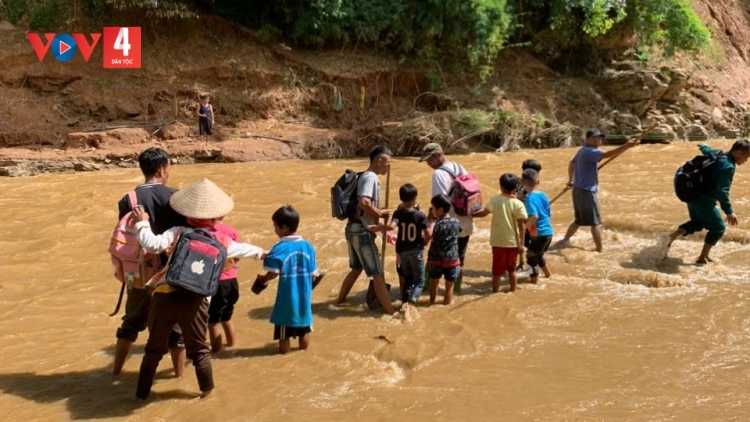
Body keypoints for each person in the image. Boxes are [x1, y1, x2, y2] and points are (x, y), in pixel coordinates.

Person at [132, 178, 267, 400]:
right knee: (200, 351)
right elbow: (244, 249)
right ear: (218, 215)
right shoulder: (222, 238)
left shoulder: (178, 231)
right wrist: (263, 252)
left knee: (153, 350)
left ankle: (141, 394)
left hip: (165, 295)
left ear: (186, 213)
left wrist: (142, 222)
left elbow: (152, 244)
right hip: (196, 301)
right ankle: (207, 396)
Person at [112, 147, 187, 377]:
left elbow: (126, 236)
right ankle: (179, 377)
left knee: (131, 324)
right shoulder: (175, 197)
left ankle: (116, 372)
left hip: (139, 273)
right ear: (162, 169)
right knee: (176, 329)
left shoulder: (128, 199)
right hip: (169, 274)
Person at [251, 205, 322, 354]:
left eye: (275, 226)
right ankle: (303, 354)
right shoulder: (308, 247)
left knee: (284, 337)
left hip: (286, 301)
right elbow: (313, 275)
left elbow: (272, 274)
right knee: (304, 332)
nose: (274, 229)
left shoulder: (280, 248)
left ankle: (283, 356)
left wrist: (262, 278)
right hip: (304, 299)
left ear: (283, 227)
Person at [555, 128, 639, 252]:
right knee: (596, 222)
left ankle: (564, 240)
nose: (598, 141)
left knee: (579, 220)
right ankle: (599, 249)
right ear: (588, 139)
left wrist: (571, 180)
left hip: (578, 190)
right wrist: (627, 146)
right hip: (587, 192)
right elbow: (607, 154)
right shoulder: (590, 151)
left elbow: (572, 163)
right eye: (595, 138)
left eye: (599, 138)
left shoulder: (582, 151)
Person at [668, 140, 750, 263]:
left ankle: (672, 236)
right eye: (746, 156)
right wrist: (729, 211)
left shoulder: (719, 153)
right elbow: (722, 191)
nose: (746, 160)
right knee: (718, 228)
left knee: (698, 222)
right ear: (738, 152)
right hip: (703, 200)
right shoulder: (728, 167)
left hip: (692, 193)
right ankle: (703, 257)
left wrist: (703, 146)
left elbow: (709, 151)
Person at [336, 145, 394, 314]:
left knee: (356, 269)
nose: (388, 167)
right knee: (377, 273)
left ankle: (339, 302)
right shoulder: (370, 178)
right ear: (380, 161)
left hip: (353, 228)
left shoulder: (365, 176)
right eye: (387, 163)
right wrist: (379, 212)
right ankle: (390, 311)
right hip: (362, 231)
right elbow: (364, 202)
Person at [418, 143, 475, 289]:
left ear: (438, 155)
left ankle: (425, 288)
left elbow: (438, 204)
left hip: (447, 225)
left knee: (433, 259)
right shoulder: (459, 167)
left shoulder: (438, 174)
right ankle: (456, 290)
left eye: (429, 160)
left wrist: (429, 222)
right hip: (466, 222)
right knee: (459, 260)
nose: (428, 164)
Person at [370, 184, 431, 311]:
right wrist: (425, 242)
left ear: (401, 199)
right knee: (420, 282)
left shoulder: (398, 213)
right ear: (415, 199)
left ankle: (405, 301)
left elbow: (391, 227)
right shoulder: (420, 215)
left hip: (402, 252)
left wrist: (379, 228)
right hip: (416, 251)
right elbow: (428, 234)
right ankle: (412, 302)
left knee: (407, 280)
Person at [473, 173, 527, 293]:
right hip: (513, 242)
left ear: (501, 186)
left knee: (497, 271)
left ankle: (495, 292)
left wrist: (472, 215)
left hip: (498, 242)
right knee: (512, 270)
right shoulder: (519, 204)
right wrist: (522, 245)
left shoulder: (495, 200)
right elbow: (522, 226)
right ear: (516, 188)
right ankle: (513, 291)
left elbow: (484, 213)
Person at [207, 218, 240, 352]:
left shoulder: (205, 232)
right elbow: (237, 255)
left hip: (215, 282)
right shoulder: (231, 230)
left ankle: (216, 350)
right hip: (232, 281)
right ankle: (232, 345)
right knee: (227, 317)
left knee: (213, 320)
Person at [427, 194, 463, 305]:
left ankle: (432, 303)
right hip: (452, 260)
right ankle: (446, 305)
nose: (431, 210)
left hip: (436, 259)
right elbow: (460, 230)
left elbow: (430, 235)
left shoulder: (437, 224)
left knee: (434, 282)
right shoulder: (456, 222)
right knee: (449, 286)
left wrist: (431, 222)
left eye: (432, 208)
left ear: (440, 210)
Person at [521, 169, 553, 284]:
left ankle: (534, 282)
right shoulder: (543, 195)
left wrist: (524, 227)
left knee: (530, 258)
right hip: (548, 232)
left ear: (522, 182)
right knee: (538, 256)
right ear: (538, 181)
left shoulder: (529, 198)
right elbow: (549, 213)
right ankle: (548, 275)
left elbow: (534, 216)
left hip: (538, 234)